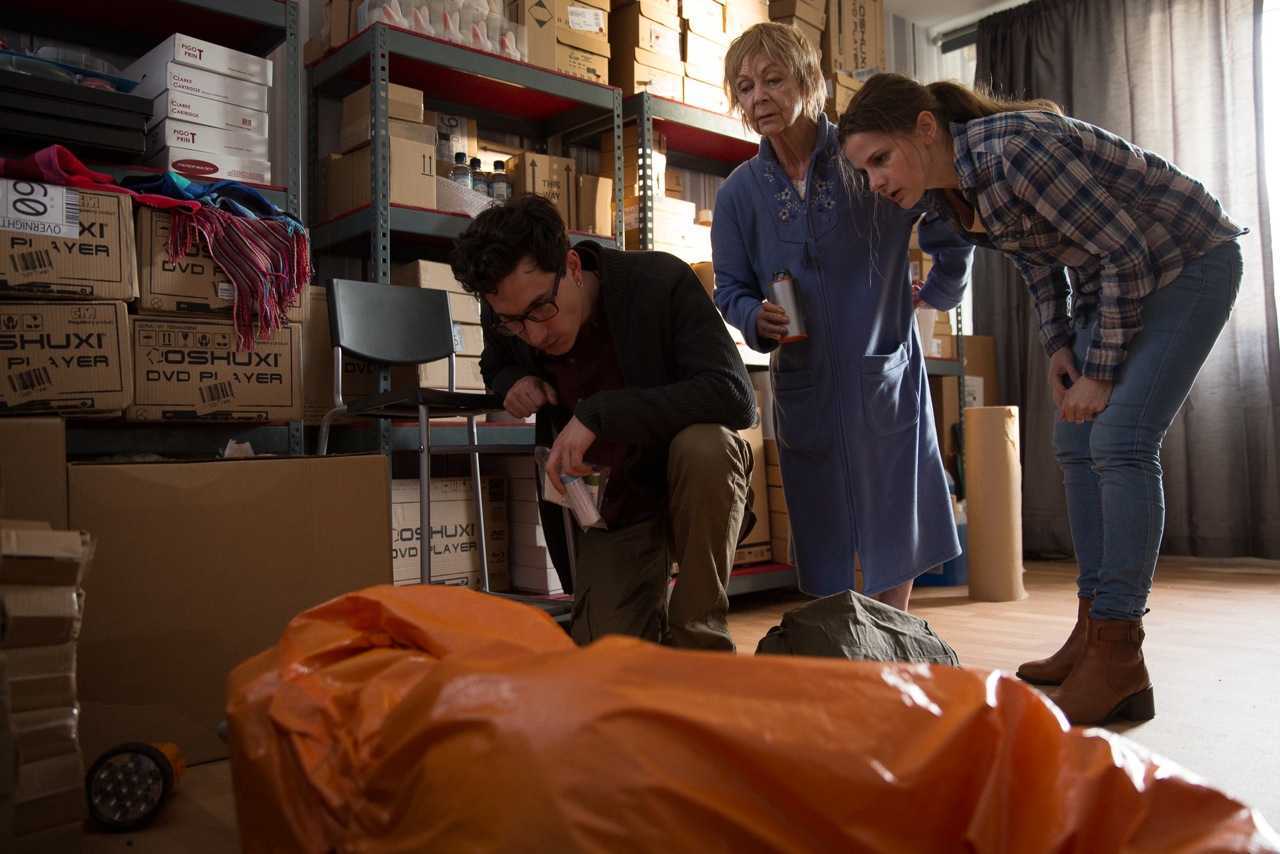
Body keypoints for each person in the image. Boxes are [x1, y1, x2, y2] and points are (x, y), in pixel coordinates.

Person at [839, 73, 1245, 726]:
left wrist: (1101, 371)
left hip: (1189, 260)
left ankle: (1119, 652)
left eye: (879, 160)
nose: (877, 182)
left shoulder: (1014, 149)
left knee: (1120, 439)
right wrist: (1060, 346)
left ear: (924, 127)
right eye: (864, 172)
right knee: (1073, 440)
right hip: (1115, 277)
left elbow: (1125, 253)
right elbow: (1038, 259)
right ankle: (1092, 636)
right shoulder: (957, 195)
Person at [712, 23, 975, 612]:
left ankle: (892, 631)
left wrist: (937, 294)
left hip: (881, 367)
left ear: (810, 81)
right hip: (804, 377)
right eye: (746, 85)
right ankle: (844, 633)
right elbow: (727, 287)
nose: (759, 97)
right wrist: (755, 316)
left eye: (774, 80)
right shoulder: (738, 193)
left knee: (893, 502)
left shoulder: (865, 156)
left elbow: (951, 226)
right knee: (821, 510)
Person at [450, 195, 758, 651]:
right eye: (514, 322)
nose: (533, 334)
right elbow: (494, 364)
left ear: (572, 266)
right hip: (613, 505)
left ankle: (700, 641)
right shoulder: (507, 308)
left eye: (541, 310)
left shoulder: (659, 281)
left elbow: (735, 397)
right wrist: (513, 381)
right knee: (604, 659)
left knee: (706, 445)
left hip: (688, 486)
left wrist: (600, 413)